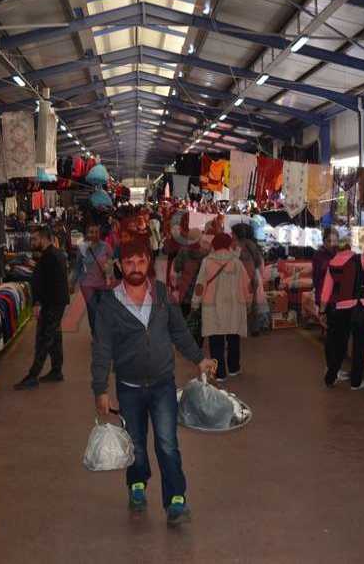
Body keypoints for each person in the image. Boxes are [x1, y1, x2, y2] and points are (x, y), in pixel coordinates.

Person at [91, 241, 217, 524]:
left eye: (140, 261)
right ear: (120, 265)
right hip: (129, 387)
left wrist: (199, 359)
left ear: (149, 262)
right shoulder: (109, 304)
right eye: (129, 262)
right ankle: (137, 484)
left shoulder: (162, 294)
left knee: (167, 444)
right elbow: (102, 349)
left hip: (162, 385)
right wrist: (100, 388)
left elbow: (180, 332)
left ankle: (176, 500)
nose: (135, 267)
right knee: (135, 444)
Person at [319, 241, 364, 389]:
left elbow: (326, 292)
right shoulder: (359, 258)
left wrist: (322, 311)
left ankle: (330, 378)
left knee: (339, 346)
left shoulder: (332, 264)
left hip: (341, 309)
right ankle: (356, 382)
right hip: (361, 307)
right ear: (350, 248)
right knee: (359, 347)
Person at [15, 227, 70, 390]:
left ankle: (33, 376)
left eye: (34, 239)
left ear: (44, 239)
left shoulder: (50, 256)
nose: (32, 242)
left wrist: (38, 303)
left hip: (51, 303)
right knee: (54, 336)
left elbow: (48, 284)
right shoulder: (53, 254)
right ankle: (56, 370)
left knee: (44, 339)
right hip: (55, 302)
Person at [192, 233, 251, 381]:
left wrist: (195, 302)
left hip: (212, 307)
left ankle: (220, 374)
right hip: (234, 306)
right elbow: (247, 285)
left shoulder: (207, 262)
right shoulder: (236, 263)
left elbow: (200, 285)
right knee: (233, 338)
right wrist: (249, 301)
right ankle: (234, 368)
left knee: (215, 341)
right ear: (228, 245)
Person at [75, 223, 114, 337]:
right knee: (92, 310)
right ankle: (96, 334)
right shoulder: (82, 247)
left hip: (103, 283)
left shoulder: (106, 246)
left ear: (99, 233)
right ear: (87, 234)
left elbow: (111, 262)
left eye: (96, 232)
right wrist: (72, 282)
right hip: (87, 285)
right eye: (91, 232)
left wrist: (110, 275)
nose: (93, 234)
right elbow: (77, 267)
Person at [312, 227, 339, 308]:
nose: (331, 244)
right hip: (324, 296)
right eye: (329, 241)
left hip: (338, 297)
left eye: (334, 241)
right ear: (323, 241)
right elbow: (316, 278)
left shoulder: (339, 253)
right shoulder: (318, 255)